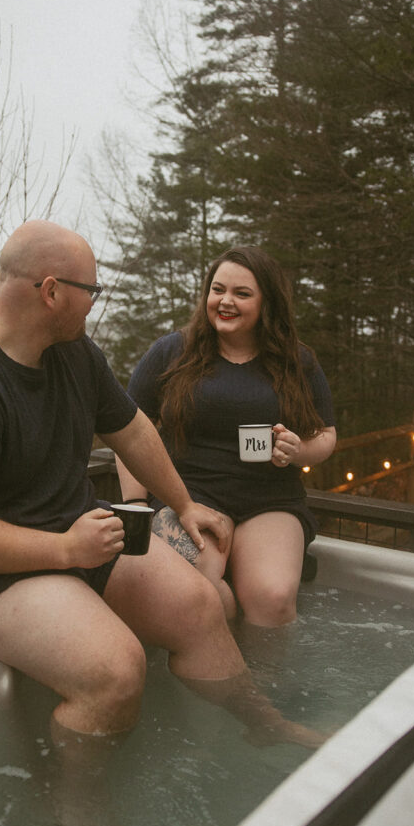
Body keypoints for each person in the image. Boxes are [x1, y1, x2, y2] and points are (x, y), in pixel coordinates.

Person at [0, 222, 321, 751]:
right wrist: (63, 549)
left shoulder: (73, 353)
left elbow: (134, 429)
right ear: (51, 291)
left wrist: (184, 505)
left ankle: (264, 727)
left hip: (71, 532)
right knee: (117, 673)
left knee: (199, 604)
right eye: (89, 291)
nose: (94, 304)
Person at [116, 246, 337, 628]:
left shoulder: (296, 362)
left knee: (273, 600)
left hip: (270, 500)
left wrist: (299, 450)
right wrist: (137, 504)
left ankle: (266, 683)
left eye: (242, 293)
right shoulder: (172, 351)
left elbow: (327, 435)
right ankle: (223, 655)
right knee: (188, 588)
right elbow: (128, 427)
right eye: (217, 290)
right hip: (189, 495)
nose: (225, 301)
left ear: (267, 302)